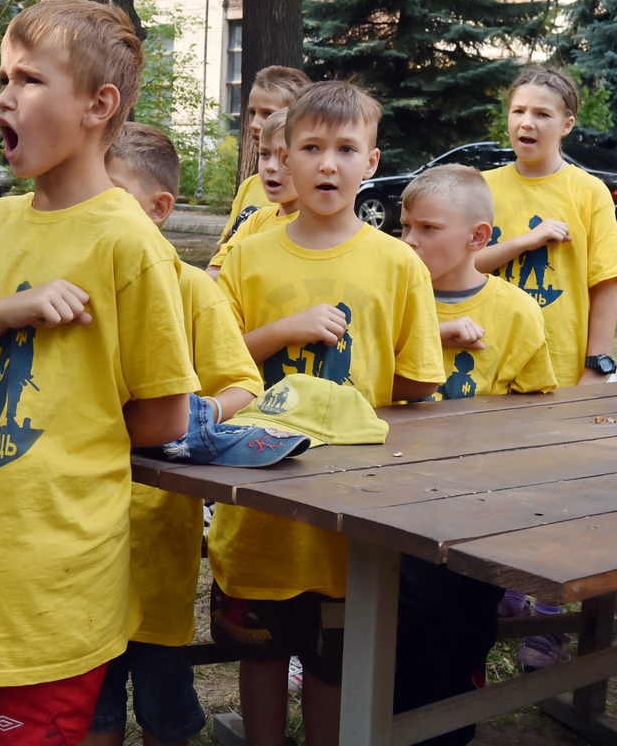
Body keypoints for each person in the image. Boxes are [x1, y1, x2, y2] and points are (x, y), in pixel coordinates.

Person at [0, 0, 199, 746]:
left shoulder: (128, 243)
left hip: (56, 566)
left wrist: (76, 433)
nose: (3, 95)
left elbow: (165, 416)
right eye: (2, 76)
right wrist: (4, 313)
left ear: (99, 106)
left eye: (30, 79)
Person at [212, 81, 445, 746]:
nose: (328, 164)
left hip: (354, 508)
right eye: (311, 147)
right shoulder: (247, 258)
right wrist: (284, 331)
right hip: (259, 502)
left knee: (333, 658)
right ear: (282, 154)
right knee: (259, 649)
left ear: (372, 162)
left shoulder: (400, 263)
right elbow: (217, 365)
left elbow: (419, 381)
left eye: (346, 148)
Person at [90, 122, 263, 746]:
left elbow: (243, 382)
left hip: (158, 531)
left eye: (112, 195)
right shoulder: (75, 283)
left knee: (165, 703)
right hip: (81, 531)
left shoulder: (192, 289)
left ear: (160, 209)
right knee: (95, 703)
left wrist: (200, 413)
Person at [396, 164, 555, 746]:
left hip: (479, 505)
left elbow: (532, 408)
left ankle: (451, 719)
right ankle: (403, 720)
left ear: (478, 237)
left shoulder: (515, 311)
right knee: (412, 611)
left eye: (427, 228)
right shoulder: (395, 299)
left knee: (468, 614)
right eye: (404, 225)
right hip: (396, 496)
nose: (410, 240)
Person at [474, 66, 617, 668]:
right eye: (517, 111)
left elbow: (605, 284)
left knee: (556, 488)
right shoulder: (481, 186)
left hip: (560, 369)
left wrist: (598, 367)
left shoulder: (587, 193)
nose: (526, 123)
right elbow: (461, 260)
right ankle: (504, 593)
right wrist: (524, 243)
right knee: (495, 483)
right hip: (490, 363)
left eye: (541, 113)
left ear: (567, 122)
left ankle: (551, 617)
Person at [220, 66, 311, 243]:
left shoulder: (310, 193)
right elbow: (225, 250)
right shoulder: (249, 186)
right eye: (252, 112)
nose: (254, 123)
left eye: (268, 114)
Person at [209, 108, 298, 279]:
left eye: (285, 158)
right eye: (264, 154)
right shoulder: (253, 220)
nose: (271, 166)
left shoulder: (315, 229)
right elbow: (214, 271)